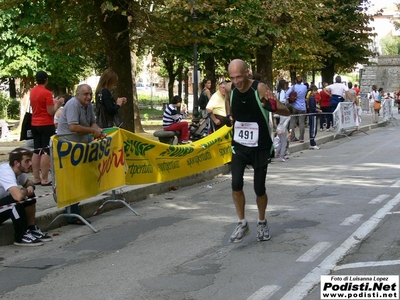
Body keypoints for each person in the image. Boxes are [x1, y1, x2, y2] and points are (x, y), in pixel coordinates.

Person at [224, 59, 290, 243]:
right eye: (232, 77)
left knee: (259, 188)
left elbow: (287, 111)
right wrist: (230, 117)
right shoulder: (229, 89)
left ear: (247, 72)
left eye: (239, 76)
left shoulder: (259, 88)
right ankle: (242, 223)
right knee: (235, 183)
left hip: (260, 145)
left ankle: (261, 222)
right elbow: (230, 106)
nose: (236, 81)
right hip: (239, 145)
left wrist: (272, 106)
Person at [57, 84, 106, 224]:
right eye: (85, 94)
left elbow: (92, 123)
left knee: (80, 179)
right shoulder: (73, 104)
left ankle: (74, 211)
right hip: (68, 147)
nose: (89, 97)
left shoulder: (88, 105)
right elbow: (73, 127)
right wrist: (93, 131)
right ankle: (72, 214)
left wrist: (98, 131)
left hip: (80, 147)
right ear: (77, 94)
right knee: (72, 179)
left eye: (90, 94)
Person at [0, 148, 52, 246]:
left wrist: (29, 187)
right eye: (27, 161)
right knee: (14, 201)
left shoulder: (19, 171)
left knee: (30, 194)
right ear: (17, 163)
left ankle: (31, 227)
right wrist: (24, 190)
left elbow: (29, 182)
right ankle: (20, 236)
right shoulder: (6, 172)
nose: (31, 163)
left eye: (30, 160)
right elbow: (18, 196)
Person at [30, 71, 64, 186]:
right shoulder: (47, 93)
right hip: (46, 124)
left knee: (36, 150)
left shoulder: (32, 91)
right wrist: (58, 104)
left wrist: (53, 102)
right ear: (46, 80)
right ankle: (44, 178)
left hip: (34, 123)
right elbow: (51, 111)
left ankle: (36, 178)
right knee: (46, 151)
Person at [285, 76, 307, 143]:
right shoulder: (305, 87)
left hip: (294, 106)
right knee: (302, 123)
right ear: (302, 80)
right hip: (302, 107)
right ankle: (301, 138)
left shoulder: (293, 87)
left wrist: (289, 101)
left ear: (295, 81)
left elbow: (286, 95)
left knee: (292, 122)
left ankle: (292, 137)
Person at [308, 85, 322, 150]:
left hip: (312, 114)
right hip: (313, 114)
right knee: (313, 129)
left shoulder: (311, 98)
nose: (316, 92)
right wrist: (318, 110)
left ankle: (312, 143)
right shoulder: (312, 98)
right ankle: (312, 143)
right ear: (312, 91)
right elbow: (313, 108)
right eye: (315, 91)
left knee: (312, 128)